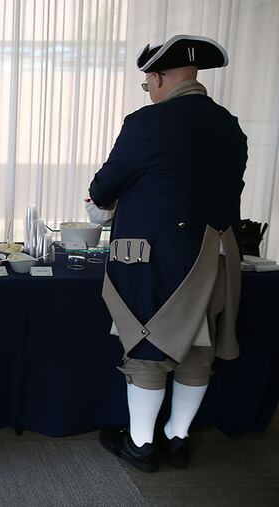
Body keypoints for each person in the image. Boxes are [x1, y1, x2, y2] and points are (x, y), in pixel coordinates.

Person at [88, 35, 247, 472]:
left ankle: (140, 445)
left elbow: (104, 187)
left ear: (156, 77)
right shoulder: (229, 125)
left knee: (147, 345)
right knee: (199, 347)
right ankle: (177, 439)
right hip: (216, 255)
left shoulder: (147, 123)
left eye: (147, 83)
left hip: (158, 258)